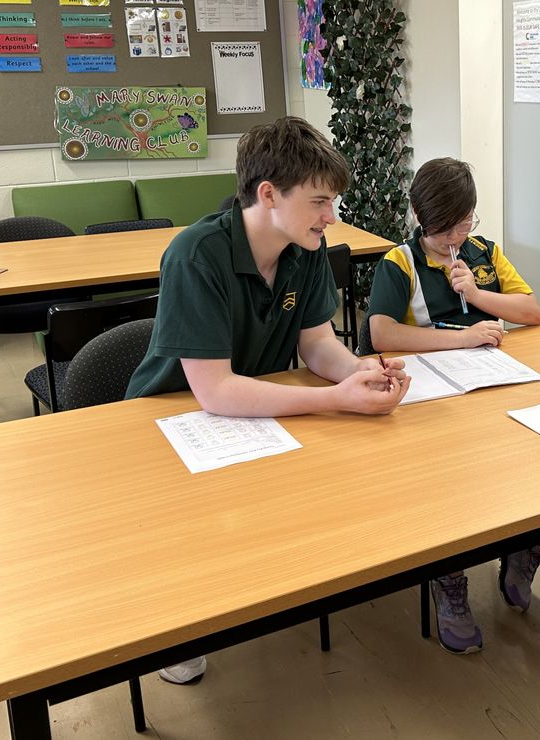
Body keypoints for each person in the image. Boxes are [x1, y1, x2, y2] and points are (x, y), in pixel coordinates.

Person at [126, 115, 410, 684]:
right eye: (319, 202)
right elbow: (213, 390)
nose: (331, 217)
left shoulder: (305, 249)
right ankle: (182, 619)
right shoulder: (195, 254)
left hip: (258, 409)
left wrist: (359, 371)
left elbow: (317, 343)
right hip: (174, 417)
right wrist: (337, 401)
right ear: (268, 194)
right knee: (198, 533)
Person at [365, 157, 540, 655]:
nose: (456, 236)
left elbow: (531, 311)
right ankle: (449, 577)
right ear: (420, 217)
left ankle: (523, 545)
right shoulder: (400, 262)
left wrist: (478, 294)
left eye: (464, 223)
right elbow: (381, 333)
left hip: (492, 384)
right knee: (448, 483)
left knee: (527, 455)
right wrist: (461, 339)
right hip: (432, 396)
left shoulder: (484, 252)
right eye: (445, 227)